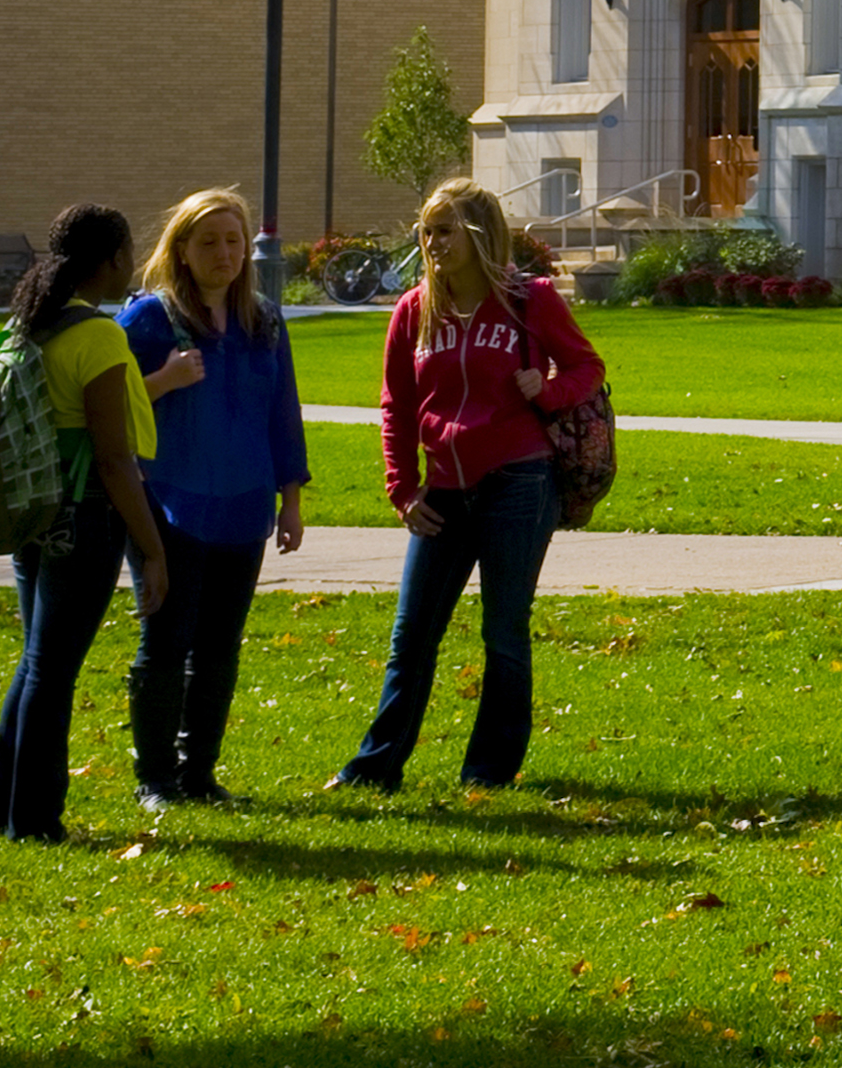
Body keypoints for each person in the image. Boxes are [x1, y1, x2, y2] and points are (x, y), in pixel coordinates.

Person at [333, 175, 604, 794]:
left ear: (480, 234)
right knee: (412, 634)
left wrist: (550, 389)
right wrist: (402, 489)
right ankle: (374, 768)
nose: (433, 242)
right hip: (443, 491)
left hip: (519, 480)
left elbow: (587, 366)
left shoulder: (528, 300)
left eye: (445, 229)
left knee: (503, 631)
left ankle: (489, 771)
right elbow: (397, 405)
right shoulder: (413, 310)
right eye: (426, 231)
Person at [0, 203, 169, 843]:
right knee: (52, 671)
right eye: (127, 252)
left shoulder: (32, 322)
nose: (131, 264)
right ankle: (33, 821)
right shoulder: (98, 337)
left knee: (36, 663)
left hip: (30, 509)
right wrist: (151, 549)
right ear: (112, 259)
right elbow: (116, 461)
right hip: (83, 519)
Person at [118, 188, 310, 805]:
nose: (223, 253)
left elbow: (283, 412)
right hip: (168, 506)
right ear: (181, 249)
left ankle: (197, 773)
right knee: (166, 642)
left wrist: (291, 498)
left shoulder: (264, 319)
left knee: (220, 648)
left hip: (245, 505)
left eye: (232, 240)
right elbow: (106, 410)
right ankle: (155, 779)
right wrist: (165, 379)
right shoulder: (150, 319)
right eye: (208, 242)